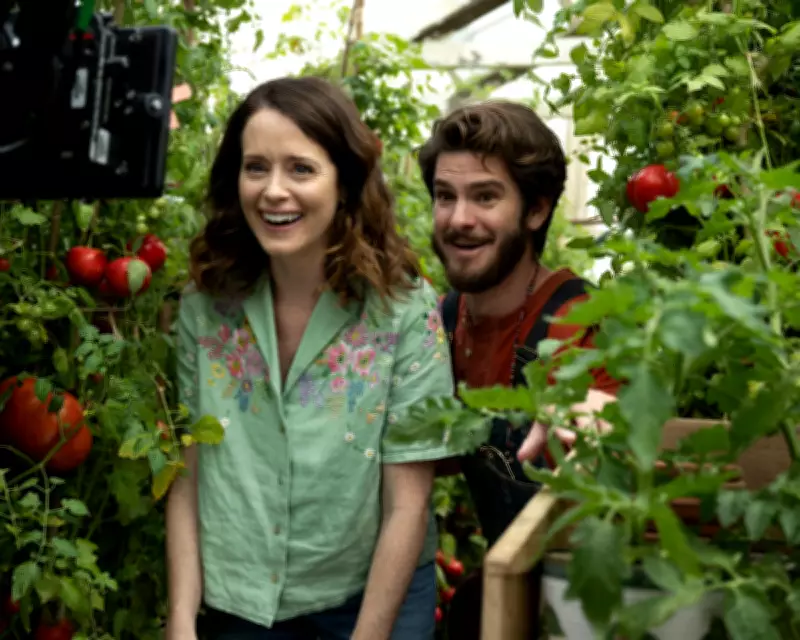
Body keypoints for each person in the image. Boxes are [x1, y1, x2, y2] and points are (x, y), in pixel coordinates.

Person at [165, 76, 456, 640]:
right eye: (256, 168)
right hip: (241, 598)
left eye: (301, 168)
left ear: (344, 183)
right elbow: (189, 475)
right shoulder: (207, 307)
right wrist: (180, 618)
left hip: (370, 594)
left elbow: (406, 504)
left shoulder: (402, 312)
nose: (274, 190)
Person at [417, 100, 620, 635]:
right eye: (445, 196)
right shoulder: (445, 319)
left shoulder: (575, 328)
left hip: (587, 609)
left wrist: (605, 422)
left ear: (535, 210)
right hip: (513, 591)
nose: (460, 219)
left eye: (486, 197)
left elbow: (621, 441)